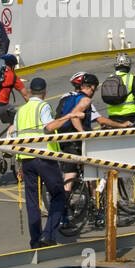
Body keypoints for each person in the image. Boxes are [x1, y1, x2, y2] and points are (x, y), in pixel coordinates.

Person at [15, 77, 78, 248]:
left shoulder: (21, 110)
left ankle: (35, 240)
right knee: (58, 195)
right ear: (44, 92)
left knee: (32, 201)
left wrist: (19, 164)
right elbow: (49, 127)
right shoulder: (43, 106)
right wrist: (69, 116)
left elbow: (16, 136)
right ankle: (48, 235)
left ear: (29, 91)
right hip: (44, 157)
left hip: (26, 159)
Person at [102, 53, 135, 126]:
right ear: (129, 65)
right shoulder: (132, 78)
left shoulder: (109, 78)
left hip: (112, 115)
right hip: (131, 115)